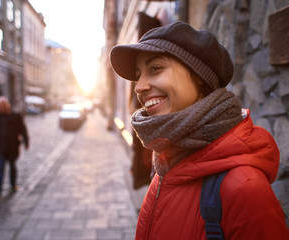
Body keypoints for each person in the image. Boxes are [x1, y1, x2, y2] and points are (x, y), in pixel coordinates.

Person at [110, 21, 289, 239]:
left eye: (155, 68)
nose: (139, 86)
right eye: (138, 74)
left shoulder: (245, 190)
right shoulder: (166, 162)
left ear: (199, 77)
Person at [0, 96, 29, 198]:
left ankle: (13, 185)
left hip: (12, 147)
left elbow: (23, 129)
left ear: (7, 105)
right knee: (0, 169)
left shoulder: (16, 116)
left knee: (12, 168)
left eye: (1, 106)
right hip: (0, 149)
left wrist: (26, 141)